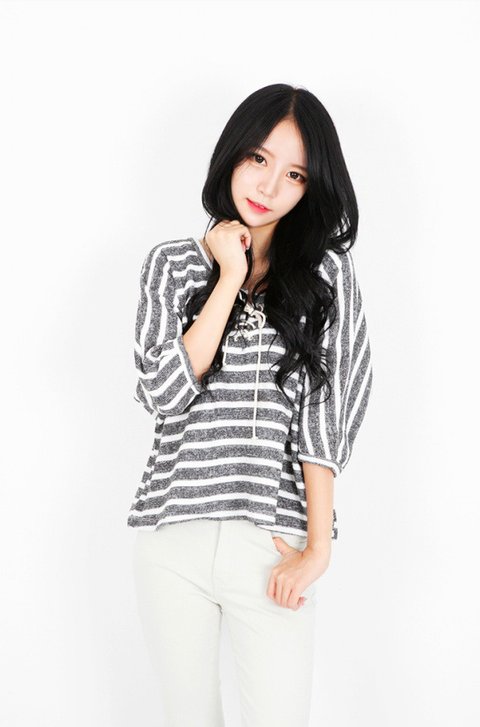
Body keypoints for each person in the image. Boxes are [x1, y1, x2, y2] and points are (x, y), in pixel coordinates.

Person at [128, 83, 374, 727]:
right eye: (258, 159)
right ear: (232, 154)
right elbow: (164, 392)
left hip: (272, 543)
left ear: (310, 189)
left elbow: (327, 410)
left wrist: (316, 547)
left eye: (294, 174)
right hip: (172, 535)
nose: (268, 185)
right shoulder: (171, 266)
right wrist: (230, 277)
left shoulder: (324, 276)